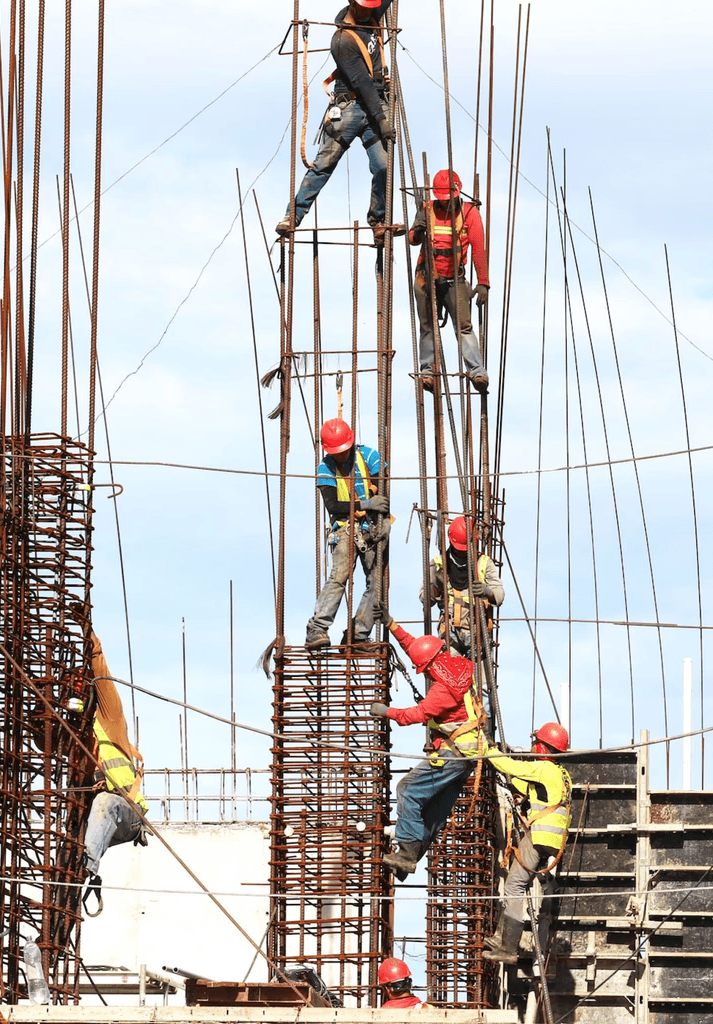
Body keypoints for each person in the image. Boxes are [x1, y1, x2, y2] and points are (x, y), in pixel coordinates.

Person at [276, 0, 403, 246]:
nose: (369, 11)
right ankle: (292, 216)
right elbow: (363, 84)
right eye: (364, 7)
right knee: (324, 164)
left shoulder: (373, 15)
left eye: (371, 6)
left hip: (376, 104)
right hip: (352, 107)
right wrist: (382, 120)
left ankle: (378, 221)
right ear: (353, 5)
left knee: (383, 167)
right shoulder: (342, 41)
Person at [371, 620, 486, 877]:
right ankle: (408, 858)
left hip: (454, 753)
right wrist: (390, 624)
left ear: (429, 666)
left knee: (408, 790)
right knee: (434, 812)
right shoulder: (454, 666)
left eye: (423, 669)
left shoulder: (443, 690)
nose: (422, 673)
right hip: (466, 756)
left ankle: (407, 851)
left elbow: (418, 714)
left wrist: (386, 712)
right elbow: (416, 646)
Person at [483, 722, 572, 964]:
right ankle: (502, 936)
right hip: (552, 840)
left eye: (536, 743)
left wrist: (487, 749)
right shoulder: (561, 773)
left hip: (540, 836)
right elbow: (532, 786)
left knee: (514, 887)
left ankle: (509, 948)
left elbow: (510, 766)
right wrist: (519, 791)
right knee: (518, 882)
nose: (533, 747)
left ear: (543, 748)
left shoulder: (543, 767)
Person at [306, 418, 388, 650]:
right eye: (337, 452)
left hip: (371, 529)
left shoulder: (369, 456)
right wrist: (366, 503)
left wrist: (375, 494)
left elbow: (382, 480)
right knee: (339, 577)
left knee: (378, 583)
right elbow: (333, 506)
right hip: (345, 529)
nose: (341, 455)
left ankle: (358, 634)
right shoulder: (325, 468)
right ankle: (317, 628)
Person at [408, 169, 490, 392]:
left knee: (464, 327)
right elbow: (412, 240)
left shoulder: (469, 213)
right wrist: (418, 229)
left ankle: (477, 371)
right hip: (427, 278)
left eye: (449, 200)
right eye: (443, 200)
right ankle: (428, 372)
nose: (446, 204)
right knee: (427, 327)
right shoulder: (427, 209)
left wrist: (483, 282)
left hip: (455, 281)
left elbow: (478, 249)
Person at [82, 629, 150, 885]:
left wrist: (88, 634)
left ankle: (86, 866)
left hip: (127, 812)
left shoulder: (109, 720)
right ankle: (73, 871)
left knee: (104, 803)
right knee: (69, 839)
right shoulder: (73, 739)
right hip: (96, 823)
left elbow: (102, 675)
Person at [424, 514, 504, 659]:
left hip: (478, 633)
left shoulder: (484, 563)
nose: (462, 552)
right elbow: (425, 600)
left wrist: (487, 592)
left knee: (482, 681)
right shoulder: (438, 564)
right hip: (450, 634)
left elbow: (499, 596)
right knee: (454, 678)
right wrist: (435, 586)